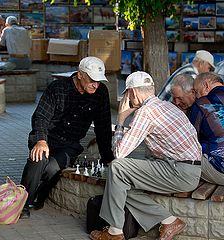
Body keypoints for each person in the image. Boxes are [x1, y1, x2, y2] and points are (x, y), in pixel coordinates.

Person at [90, 71, 202, 240]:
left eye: (127, 94)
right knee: (120, 185)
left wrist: (120, 119)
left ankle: (114, 232)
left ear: (133, 92)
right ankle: (168, 220)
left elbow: (119, 154)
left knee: (117, 168)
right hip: (188, 170)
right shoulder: (167, 106)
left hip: (179, 171)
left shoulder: (146, 112)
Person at [20, 56, 114, 218]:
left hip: (70, 144)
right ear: (80, 75)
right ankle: (21, 203)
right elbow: (40, 117)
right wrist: (41, 140)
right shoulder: (58, 88)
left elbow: (103, 127)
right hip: (47, 138)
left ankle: (39, 198)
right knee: (38, 159)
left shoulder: (101, 93)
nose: (95, 85)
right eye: (92, 80)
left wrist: (108, 158)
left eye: (99, 81)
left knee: (52, 168)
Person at [190, 72, 224, 185]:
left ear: (206, 86)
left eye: (196, 91)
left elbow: (191, 141)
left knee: (181, 152)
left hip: (220, 170)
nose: (195, 96)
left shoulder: (202, 103)